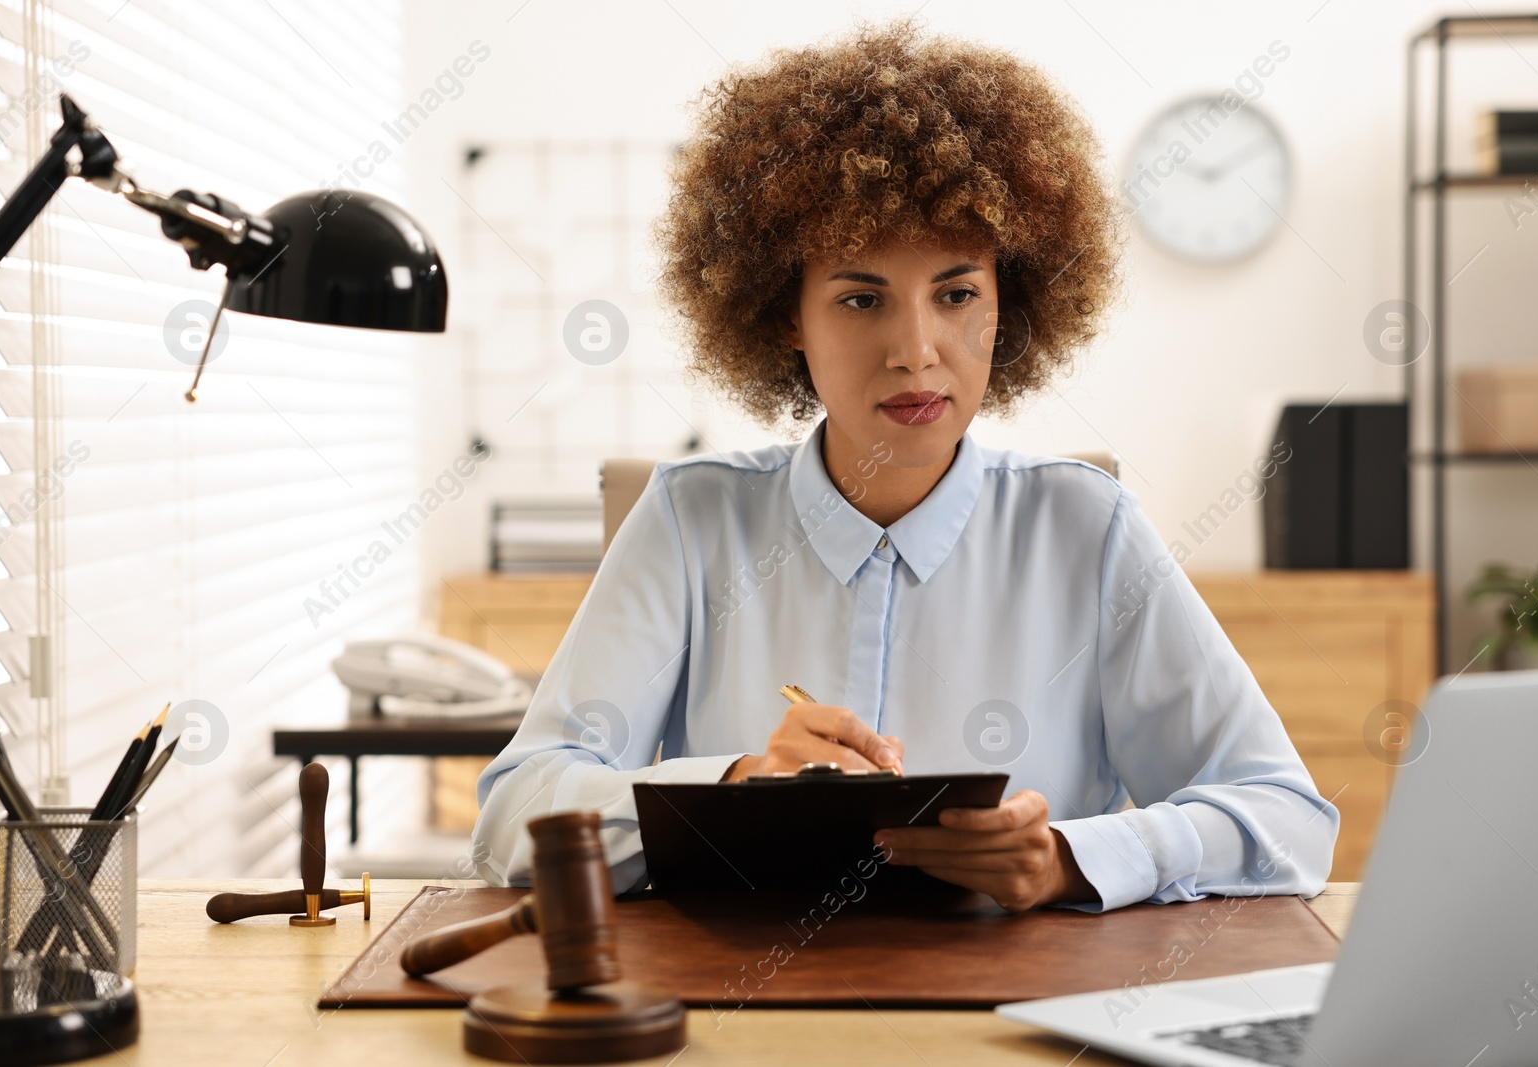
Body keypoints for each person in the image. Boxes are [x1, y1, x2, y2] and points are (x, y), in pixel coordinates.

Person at [472, 16, 1336, 912]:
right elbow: (513, 813)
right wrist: (731, 783)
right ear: (784, 316)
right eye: (860, 298)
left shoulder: (1090, 530)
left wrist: (1071, 858)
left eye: (957, 294)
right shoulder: (692, 521)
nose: (918, 351)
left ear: (1009, 305)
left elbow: (1289, 819)